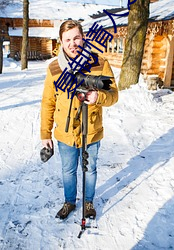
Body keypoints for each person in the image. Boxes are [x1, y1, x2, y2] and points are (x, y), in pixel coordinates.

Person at [40, 20, 118, 220]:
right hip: (65, 133)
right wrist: (45, 134)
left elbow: (114, 95)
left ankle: (89, 202)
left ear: (83, 37)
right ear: (61, 41)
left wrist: (98, 97)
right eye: (67, 39)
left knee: (90, 168)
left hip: (91, 129)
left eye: (76, 38)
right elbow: (48, 102)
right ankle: (69, 202)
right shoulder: (54, 68)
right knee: (68, 170)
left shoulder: (100, 63)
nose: (72, 43)